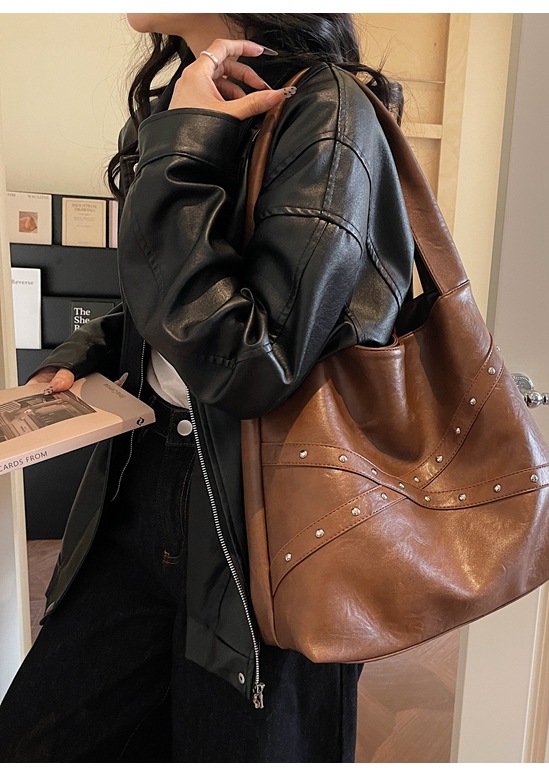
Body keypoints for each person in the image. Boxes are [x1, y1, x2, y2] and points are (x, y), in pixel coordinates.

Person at [0, 13, 414, 762]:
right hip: (144, 484)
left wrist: (181, 145)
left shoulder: (326, 109)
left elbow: (249, 359)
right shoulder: (195, 100)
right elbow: (175, 292)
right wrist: (91, 347)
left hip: (269, 517)